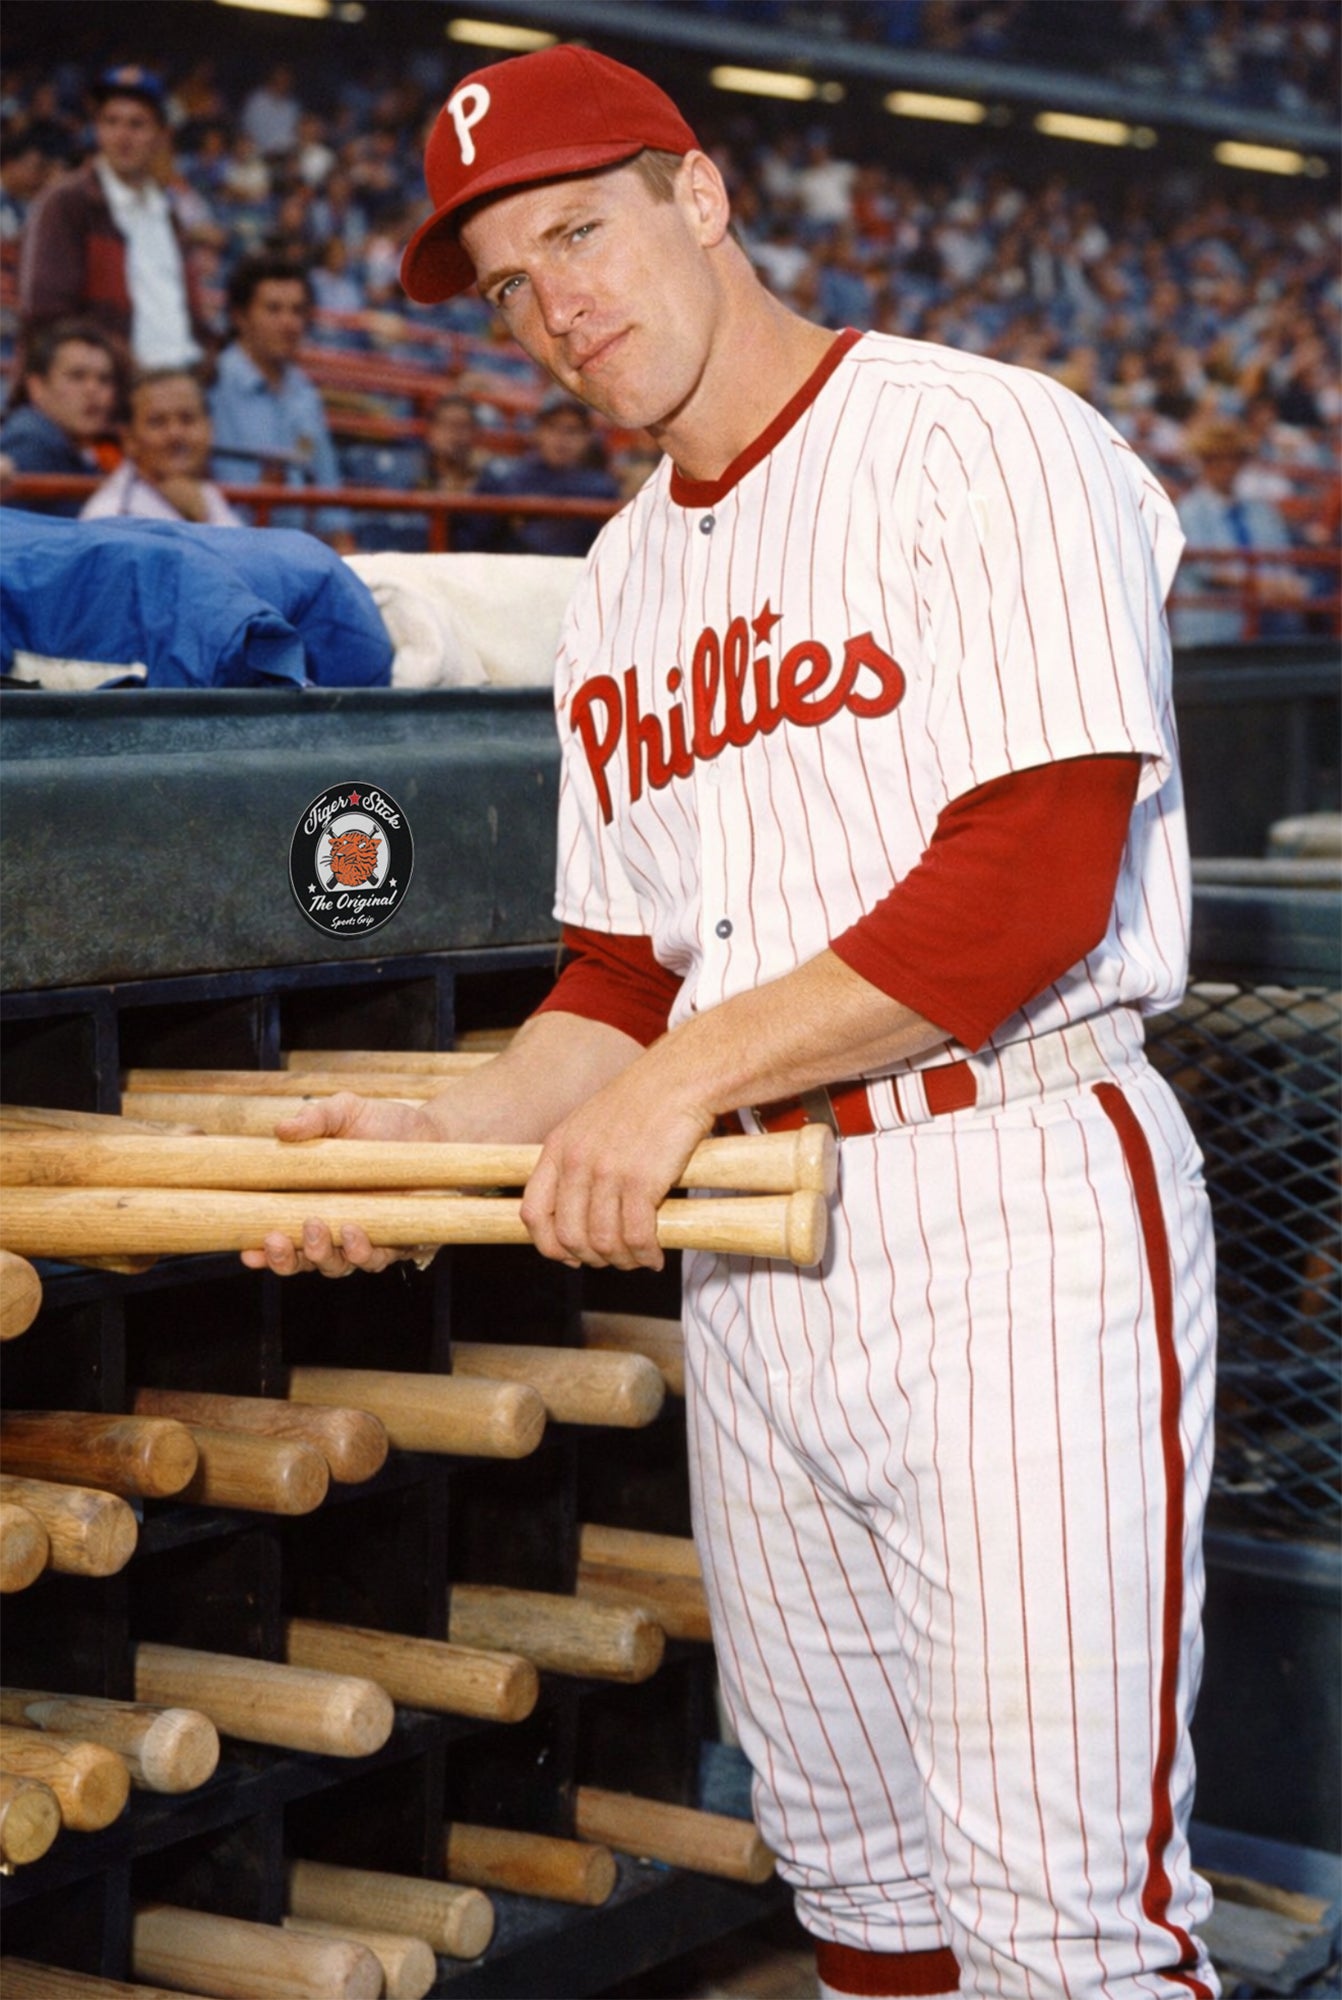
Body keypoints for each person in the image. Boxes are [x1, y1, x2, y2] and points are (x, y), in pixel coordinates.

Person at [246, 47, 1219, 2000]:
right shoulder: (617, 583)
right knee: (855, 1887)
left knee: (1057, 1923)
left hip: (1005, 1198)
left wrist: (678, 1081)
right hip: (748, 1252)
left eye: (578, 232)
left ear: (698, 196)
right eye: (507, 283)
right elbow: (620, 983)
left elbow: (1029, 878)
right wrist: (435, 1143)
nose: (553, 305)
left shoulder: (980, 439)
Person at [17, 65, 211, 370]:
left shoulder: (166, 212)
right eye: (110, 121)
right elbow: (46, 318)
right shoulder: (66, 202)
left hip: (182, 377)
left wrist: (207, 360)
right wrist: (124, 369)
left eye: (137, 124)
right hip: (110, 383)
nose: (122, 136)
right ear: (97, 130)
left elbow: (189, 315)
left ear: (161, 136)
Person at [207, 251, 352, 549]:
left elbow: (331, 508)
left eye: (297, 311)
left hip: (298, 552)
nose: (289, 323)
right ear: (239, 317)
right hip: (227, 550)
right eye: (273, 309)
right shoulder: (209, 385)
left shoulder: (306, 393)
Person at [1174, 413, 1306, 645]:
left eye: (1235, 458)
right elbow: (1206, 569)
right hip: (1213, 625)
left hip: (1270, 619)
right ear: (1203, 462)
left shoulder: (1261, 510)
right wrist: (1260, 584)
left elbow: (1282, 558)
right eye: (1216, 459)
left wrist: (1287, 584)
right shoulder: (1188, 510)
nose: (1227, 466)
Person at [81, 366, 242, 526]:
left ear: (209, 428)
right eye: (157, 422)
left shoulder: (207, 494)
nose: (175, 434)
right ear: (129, 439)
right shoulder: (111, 515)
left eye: (187, 419)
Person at [467, 389, 619, 556]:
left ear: (587, 438)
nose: (562, 438)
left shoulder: (602, 488)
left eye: (573, 430)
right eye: (552, 427)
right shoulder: (504, 479)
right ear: (537, 431)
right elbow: (474, 543)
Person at [0, 318, 120, 513]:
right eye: (77, 376)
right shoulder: (30, 444)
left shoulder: (82, 450)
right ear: (37, 387)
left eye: (104, 379)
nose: (92, 390)